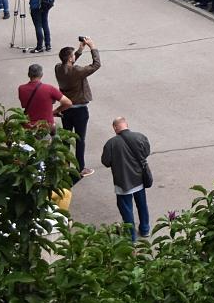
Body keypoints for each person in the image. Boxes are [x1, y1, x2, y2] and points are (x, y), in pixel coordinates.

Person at [55, 36, 102, 178]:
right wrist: (92, 47)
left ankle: (65, 165)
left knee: (66, 137)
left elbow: (68, 64)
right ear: (70, 59)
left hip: (65, 109)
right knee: (80, 139)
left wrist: (80, 49)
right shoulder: (77, 71)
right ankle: (81, 167)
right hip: (80, 109)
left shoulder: (58, 68)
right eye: (73, 55)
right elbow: (96, 64)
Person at [100, 116, 152, 242]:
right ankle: (145, 229)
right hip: (139, 179)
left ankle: (131, 236)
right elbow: (146, 152)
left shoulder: (111, 143)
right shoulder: (140, 137)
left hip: (122, 182)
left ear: (115, 127)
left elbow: (106, 162)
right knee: (142, 205)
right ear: (126, 124)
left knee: (126, 209)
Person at [16, 63, 71, 131]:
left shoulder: (21, 89)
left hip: (29, 127)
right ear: (41, 75)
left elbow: (24, 105)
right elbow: (68, 103)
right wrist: (54, 111)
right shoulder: (49, 89)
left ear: (28, 74)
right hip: (47, 126)